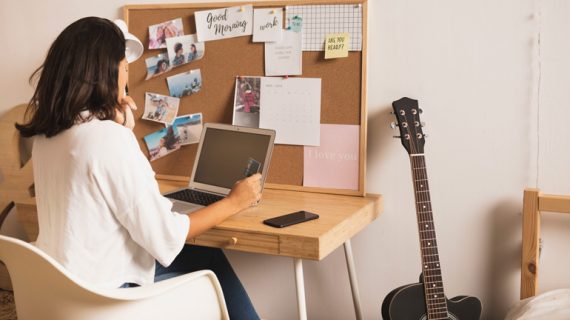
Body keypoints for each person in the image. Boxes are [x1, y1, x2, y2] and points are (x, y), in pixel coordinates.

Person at [15, 17, 261, 320]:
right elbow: (167, 238)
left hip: (61, 290)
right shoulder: (107, 138)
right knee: (210, 259)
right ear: (106, 72)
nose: (126, 77)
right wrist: (236, 201)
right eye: (125, 67)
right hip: (105, 299)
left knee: (199, 254)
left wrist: (121, 130)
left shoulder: (45, 136)